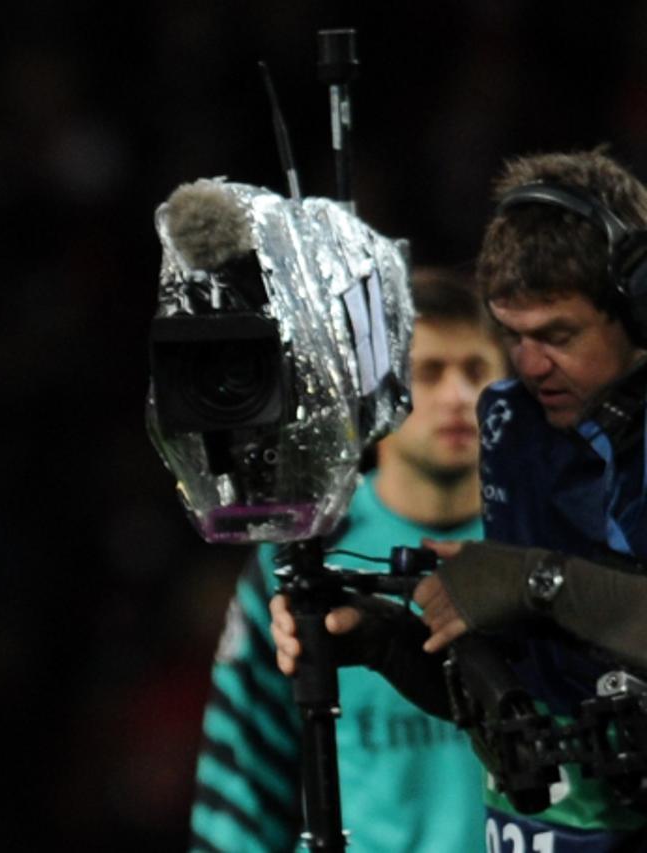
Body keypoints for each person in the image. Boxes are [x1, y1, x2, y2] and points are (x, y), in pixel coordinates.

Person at [276, 149, 647, 851]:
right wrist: (387, 641)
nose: (531, 364)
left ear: (637, 306)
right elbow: (529, 702)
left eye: (558, 335)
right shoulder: (515, 422)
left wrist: (532, 579)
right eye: (512, 334)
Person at [191, 271, 507, 853]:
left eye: (476, 371)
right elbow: (242, 773)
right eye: (429, 372)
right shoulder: (303, 553)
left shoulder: (537, 546)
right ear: (376, 393)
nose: (457, 396)